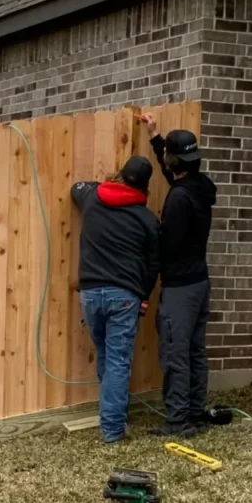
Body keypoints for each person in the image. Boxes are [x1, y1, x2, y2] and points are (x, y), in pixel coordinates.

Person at [71, 156, 160, 444]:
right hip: (124, 296)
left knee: (108, 357)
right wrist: (144, 299)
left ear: (120, 175)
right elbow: (152, 265)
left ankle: (112, 416)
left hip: (91, 293)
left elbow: (76, 188)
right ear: (145, 187)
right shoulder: (147, 219)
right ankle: (112, 429)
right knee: (118, 362)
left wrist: (104, 183)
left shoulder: (93, 199)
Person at [143, 114, 217, 437]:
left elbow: (167, 246)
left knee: (175, 353)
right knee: (195, 351)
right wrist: (156, 138)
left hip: (180, 289)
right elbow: (174, 175)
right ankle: (195, 413)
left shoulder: (178, 199)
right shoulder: (200, 188)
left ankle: (177, 421)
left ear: (176, 161)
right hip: (200, 282)